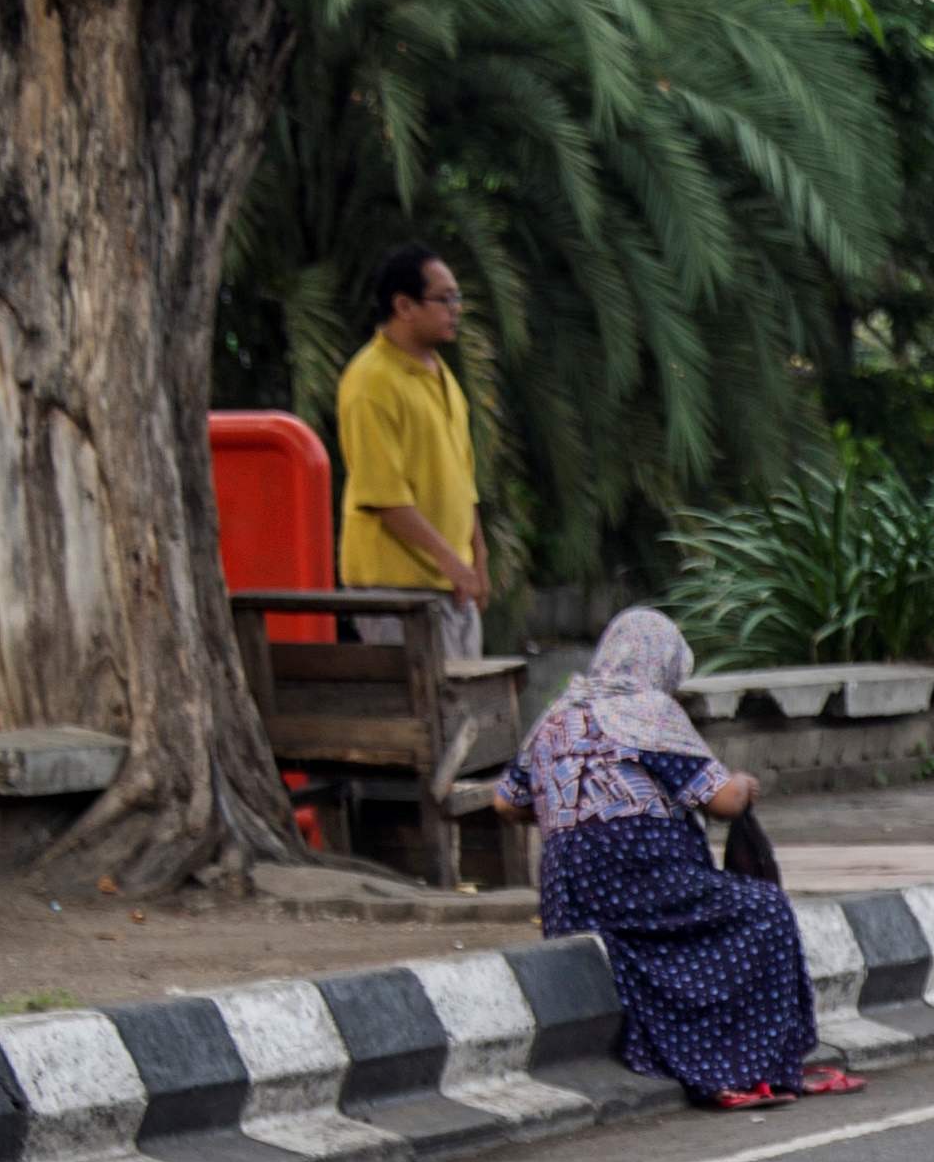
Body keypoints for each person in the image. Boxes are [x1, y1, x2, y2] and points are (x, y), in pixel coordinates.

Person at [491, 611, 846, 1109]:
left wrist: (570, 806)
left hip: (568, 895)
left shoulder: (557, 715)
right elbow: (721, 801)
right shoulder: (648, 711)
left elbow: (505, 802)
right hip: (640, 875)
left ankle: (714, 1061)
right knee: (763, 910)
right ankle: (746, 1065)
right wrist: (743, 787)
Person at [337, 244, 484, 654]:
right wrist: (453, 564)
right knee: (421, 713)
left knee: (463, 712)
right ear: (404, 305)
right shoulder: (371, 381)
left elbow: (462, 478)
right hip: (396, 590)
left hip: (451, 585)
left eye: (458, 298)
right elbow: (384, 496)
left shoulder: (442, 375)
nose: (456, 308)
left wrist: (478, 557)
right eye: (444, 299)